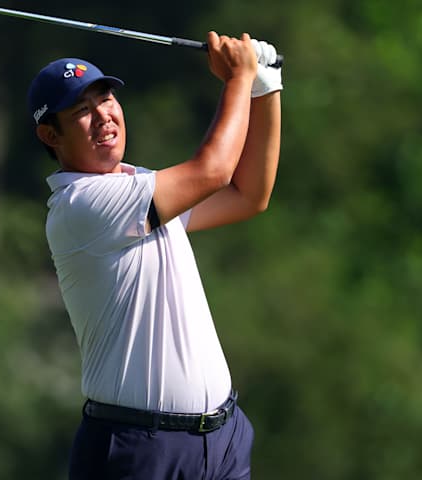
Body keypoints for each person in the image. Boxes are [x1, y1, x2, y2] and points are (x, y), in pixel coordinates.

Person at [27, 31, 282, 479]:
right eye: (82, 111)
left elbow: (248, 195)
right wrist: (239, 78)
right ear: (51, 134)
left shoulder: (138, 189)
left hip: (222, 441)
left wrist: (265, 86)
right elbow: (214, 171)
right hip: (139, 451)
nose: (103, 116)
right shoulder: (82, 207)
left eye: (105, 100)